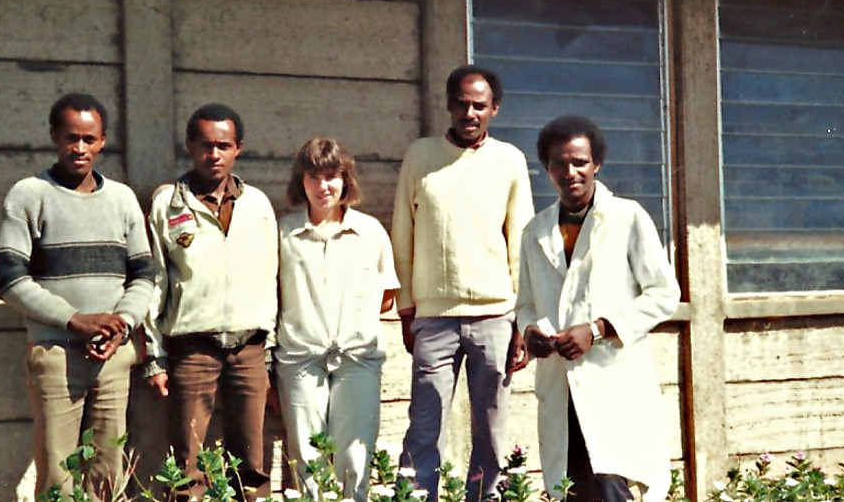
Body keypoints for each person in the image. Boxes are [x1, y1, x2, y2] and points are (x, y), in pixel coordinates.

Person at [0, 93, 155, 501]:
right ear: (54, 137)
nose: (79, 148)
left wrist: (122, 326)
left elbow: (144, 275)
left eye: (89, 139)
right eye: (70, 138)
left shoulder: (121, 199)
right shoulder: (28, 195)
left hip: (112, 357)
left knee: (108, 467)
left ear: (103, 141)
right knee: (58, 470)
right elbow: (8, 279)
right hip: (56, 353)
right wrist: (74, 319)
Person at [516, 115, 679, 501]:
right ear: (547, 168)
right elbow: (525, 303)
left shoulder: (627, 217)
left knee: (613, 485)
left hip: (612, 378)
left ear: (596, 164)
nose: (569, 172)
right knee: (571, 488)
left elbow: (663, 293)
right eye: (559, 163)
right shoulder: (534, 231)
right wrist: (530, 333)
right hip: (560, 383)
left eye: (580, 162)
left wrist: (599, 328)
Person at [390, 64, 534, 500]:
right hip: (433, 318)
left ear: (494, 109)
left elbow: (520, 242)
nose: (469, 113)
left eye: (479, 105)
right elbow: (403, 233)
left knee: (491, 430)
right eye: (461, 104)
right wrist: (407, 306)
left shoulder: (509, 160)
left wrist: (520, 319)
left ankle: (486, 498)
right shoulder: (421, 155)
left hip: (495, 316)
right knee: (424, 428)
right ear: (449, 105)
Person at [141, 103, 278, 501]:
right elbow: (155, 282)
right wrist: (154, 356)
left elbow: (271, 278)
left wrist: (269, 349)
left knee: (250, 465)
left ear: (238, 149)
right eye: (205, 145)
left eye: (223, 145)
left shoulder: (257, 205)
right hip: (193, 348)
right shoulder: (169, 204)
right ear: (189, 146)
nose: (213, 154)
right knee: (186, 466)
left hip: (250, 349)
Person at [276, 138, 398, 502]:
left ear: (346, 181)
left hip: (357, 359)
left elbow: (386, 297)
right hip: (300, 360)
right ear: (301, 181)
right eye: (313, 176)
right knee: (307, 458)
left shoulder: (370, 232)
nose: (322, 186)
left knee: (354, 455)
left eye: (331, 176)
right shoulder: (283, 234)